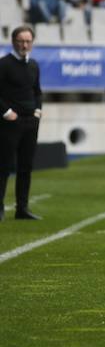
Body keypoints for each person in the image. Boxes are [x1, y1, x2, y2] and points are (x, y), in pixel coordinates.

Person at [0, 26, 43, 221]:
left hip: (30, 122)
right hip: (10, 123)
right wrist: (6, 112)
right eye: (21, 41)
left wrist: (38, 111)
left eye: (28, 41)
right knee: (4, 166)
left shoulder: (33, 65)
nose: (24, 45)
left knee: (26, 167)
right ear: (13, 42)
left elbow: (37, 92)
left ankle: (22, 208)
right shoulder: (4, 64)